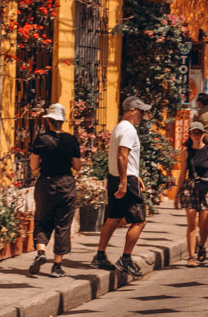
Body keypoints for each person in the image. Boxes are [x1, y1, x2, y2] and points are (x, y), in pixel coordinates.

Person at [93, 96, 151, 278]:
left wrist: (134, 175)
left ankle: (100, 255)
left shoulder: (119, 127)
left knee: (113, 218)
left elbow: (126, 158)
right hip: (124, 180)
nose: (143, 115)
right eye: (141, 111)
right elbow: (122, 156)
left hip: (115, 177)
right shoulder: (129, 130)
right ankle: (126, 259)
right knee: (139, 220)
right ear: (132, 110)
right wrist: (125, 181)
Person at [28, 102, 82, 278]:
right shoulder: (71, 140)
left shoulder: (41, 139)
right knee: (63, 225)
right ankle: (57, 266)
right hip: (66, 183)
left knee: (42, 219)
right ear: (62, 122)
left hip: (46, 183)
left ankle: (41, 252)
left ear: (49, 121)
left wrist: (37, 172)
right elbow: (77, 165)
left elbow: (33, 162)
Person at [174, 120, 208, 265]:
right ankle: (191, 256)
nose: (196, 135)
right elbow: (182, 174)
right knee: (191, 224)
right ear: (190, 134)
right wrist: (177, 194)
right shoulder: (186, 152)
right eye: (194, 133)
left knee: (204, 224)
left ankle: (201, 246)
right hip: (190, 188)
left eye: (199, 133)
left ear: (203, 135)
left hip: (206, 188)